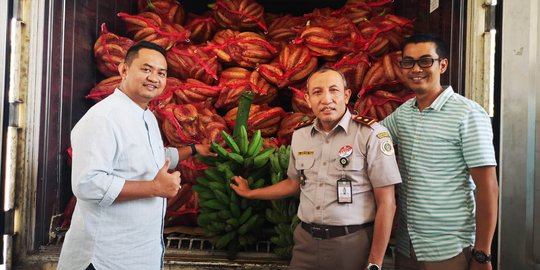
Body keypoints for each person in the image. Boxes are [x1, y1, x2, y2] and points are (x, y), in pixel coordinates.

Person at [57, 41, 215, 270]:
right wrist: (155, 188)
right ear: (124, 70)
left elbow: (150, 158)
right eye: (146, 69)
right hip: (105, 259)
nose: (154, 78)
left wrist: (193, 150)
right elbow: (88, 184)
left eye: (161, 73)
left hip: (137, 256)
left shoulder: (146, 116)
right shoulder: (103, 118)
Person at [230, 67, 402, 270]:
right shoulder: (301, 135)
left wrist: (375, 263)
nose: (326, 99)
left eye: (334, 90)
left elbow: (387, 203)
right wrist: (252, 193)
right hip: (306, 242)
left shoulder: (371, 134)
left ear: (346, 96)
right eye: (317, 92)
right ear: (308, 99)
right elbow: (294, 183)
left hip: (351, 244)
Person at [380, 33, 499, 270]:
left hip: (448, 249)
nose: (416, 69)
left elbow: (488, 187)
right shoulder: (404, 113)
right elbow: (370, 137)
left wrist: (482, 253)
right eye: (408, 62)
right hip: (407, 246)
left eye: (425, 61)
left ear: (442, 64)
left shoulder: (468, 114)